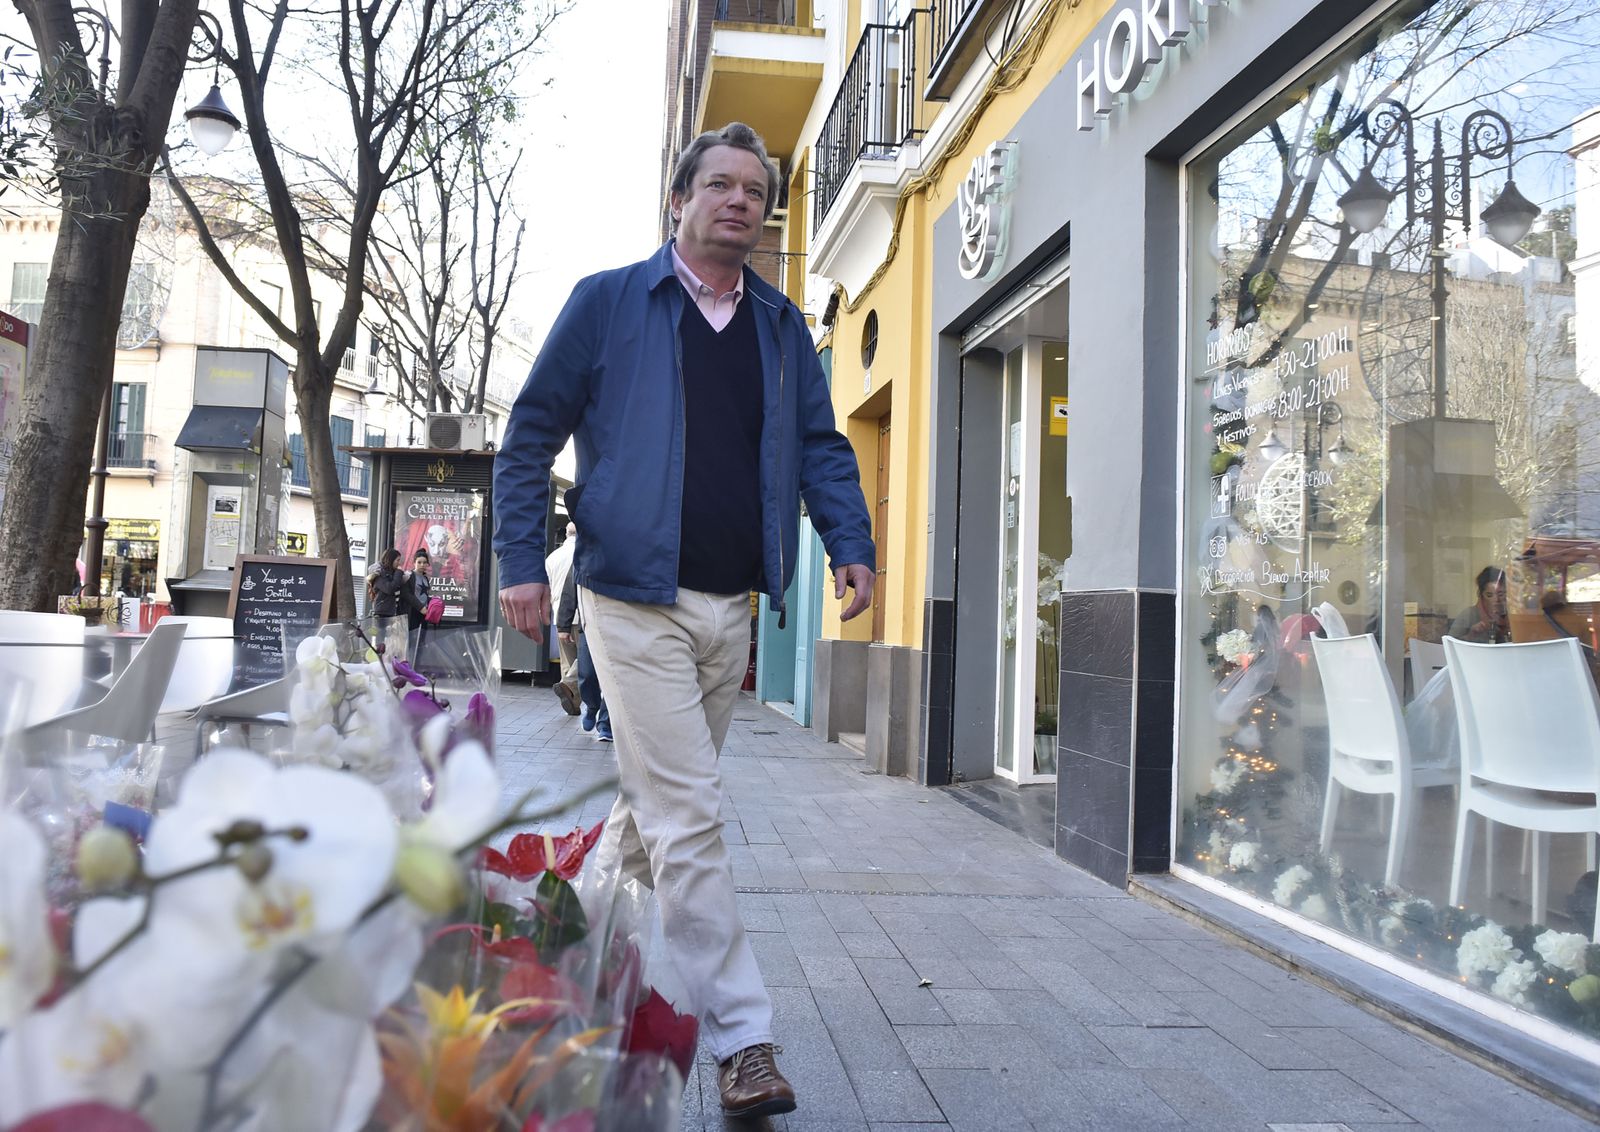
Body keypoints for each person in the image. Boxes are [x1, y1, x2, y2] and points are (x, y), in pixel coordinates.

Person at [494, 122, 875, 1119]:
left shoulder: (781, 327)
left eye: (756, 191)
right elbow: (529, 432)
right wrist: (520, 561)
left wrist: (849, 539)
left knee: (654, 811)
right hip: (630, 597)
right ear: (679, 200)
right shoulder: (610, 303)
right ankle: (743, 1040)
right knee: (691, 812)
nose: (740, 201)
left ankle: (554, 952)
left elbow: (820, 446)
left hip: (729, 605)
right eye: (720, 185)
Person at [556, 552, 611, 741]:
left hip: (620, 626)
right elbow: (569, 590)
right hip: (589, 624)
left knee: (613, 678)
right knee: (587, 673)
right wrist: (563, 625)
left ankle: (605, 724)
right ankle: (592, 706)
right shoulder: (586, 551)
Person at [546, 522, 581, 715]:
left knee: (568, 662)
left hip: (560, 615)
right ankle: (569, 686)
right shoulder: (584, 552)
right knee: (587, 657)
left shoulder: (552, 557)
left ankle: (572, 703)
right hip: (581, 615)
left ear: (566, 534)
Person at [1449, 566, 1510, 643]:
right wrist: (1470, 636)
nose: (1496, 600)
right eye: (1489, 595)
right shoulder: (1469, 615)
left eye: (1501, 594)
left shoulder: (1512, 617)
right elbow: (1449, 645)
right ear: (1481, 596)